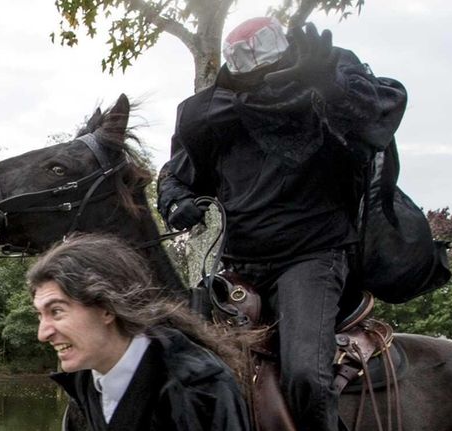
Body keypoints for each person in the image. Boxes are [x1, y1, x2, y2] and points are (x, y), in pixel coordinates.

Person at [157, 17, 407, 431]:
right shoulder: (211, 114)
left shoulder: (325, 83)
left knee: (306, 375)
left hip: (311, 259)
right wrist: (177, 200)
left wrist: (331, 84)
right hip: (237, 266)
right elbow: (177, 174)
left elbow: (374, 123)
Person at [28, 233, 252, 431]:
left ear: (107, 308)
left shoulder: (197, 391)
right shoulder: (83, 384)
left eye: (56, 311)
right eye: (40, 315)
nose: (43, 334)